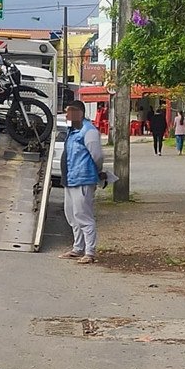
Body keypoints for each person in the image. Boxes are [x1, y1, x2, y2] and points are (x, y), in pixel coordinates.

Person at [59, 100, 106, 265]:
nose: (66, 115)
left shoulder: (89, 131)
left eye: (69, 112)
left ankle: (90, 251)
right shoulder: (72, 131)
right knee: (72, 215)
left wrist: (99, 172)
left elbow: (97, 156)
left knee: (83, 215)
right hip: (70, 179)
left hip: (83, 179)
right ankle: (78, 247)